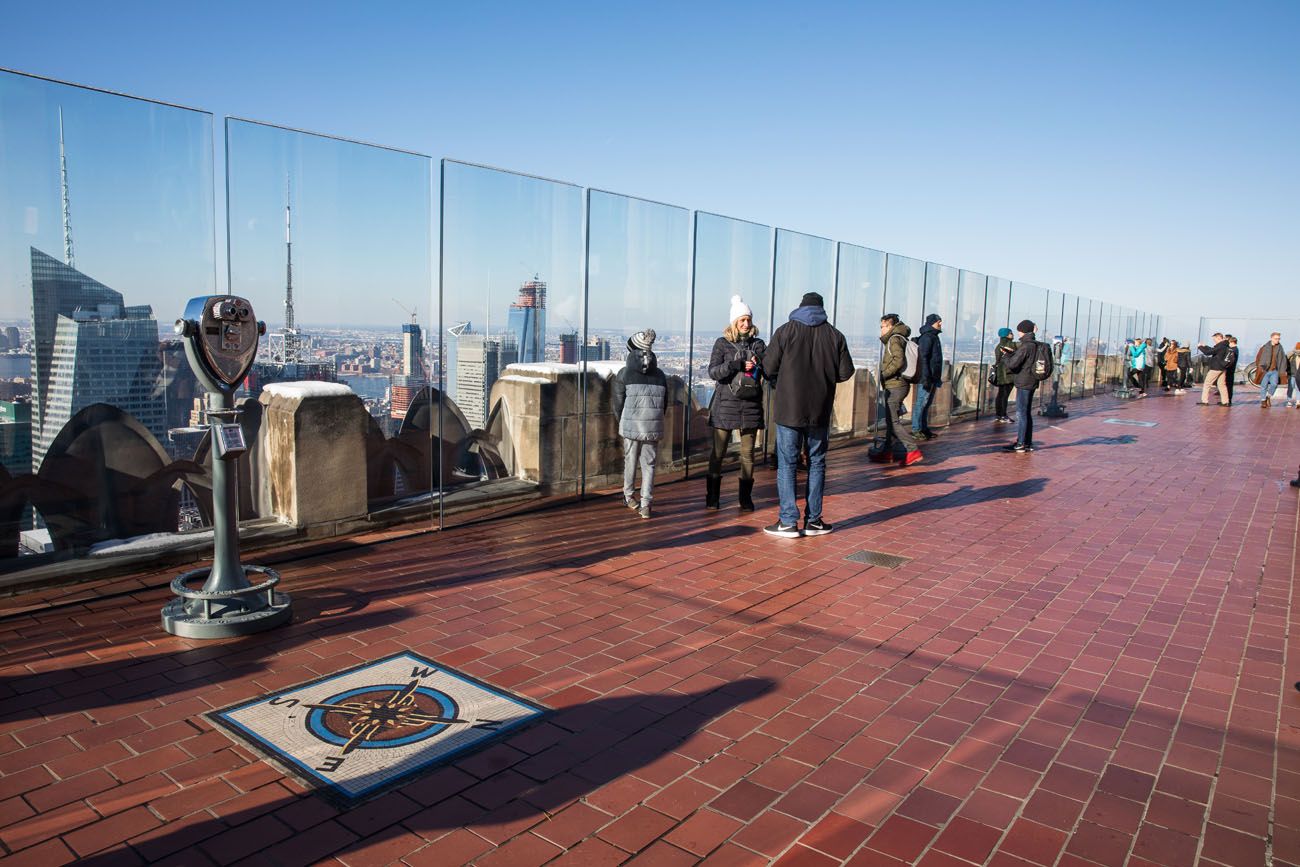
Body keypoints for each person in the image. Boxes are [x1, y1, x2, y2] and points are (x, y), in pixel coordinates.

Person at [761, 292, 853, 538]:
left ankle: (788, 521)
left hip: (788, 409)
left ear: (799, 307)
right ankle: (814, 521)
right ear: (822, 309)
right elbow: (845, 373)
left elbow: (768, 367)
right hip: (819, 410)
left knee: (787, 464)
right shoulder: (835, 335)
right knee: (817, 463)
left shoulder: (785, 331)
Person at [706, 295, 766, 511]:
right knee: (718, 454)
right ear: (734, 322)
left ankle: (745, 498)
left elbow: (768, 371)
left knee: (748, 455)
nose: (746, 324)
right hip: (726, 406)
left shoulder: (759, 345)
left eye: (748, 320)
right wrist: (735, 365)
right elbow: (714, 372)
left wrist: (760, 364)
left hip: (750, 407)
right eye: (742, 320)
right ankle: (712, 497)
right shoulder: (722, 344)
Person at [611, 328, 666, 519]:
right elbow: (663, 405)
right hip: (653, 426)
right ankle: (646, 505)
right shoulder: (660, 375)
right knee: (649, 464)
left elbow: (617, 403)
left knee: (630, 461)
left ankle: (628, 496)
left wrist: (624, 421)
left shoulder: (624, 373)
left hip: (631, 425)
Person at [874, 314, 923, 467]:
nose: (881, 330)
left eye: (882, 326)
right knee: (890, 420)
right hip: (900, 384)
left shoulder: (894, 339)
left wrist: (884, 373)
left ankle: (912, 449)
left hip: (895, 385)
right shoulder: (901, 337)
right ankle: (887, 452)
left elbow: (898, 360)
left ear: (889, 325)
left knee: (894, 422)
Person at [1001, 319, 1044, 452]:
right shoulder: (1035, 345)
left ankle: (1020, 443)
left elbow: (1013, 364)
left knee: (1021, 413)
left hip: (1024, 382)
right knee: (1027, 413)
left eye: (1019, 331)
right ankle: (1027, 442)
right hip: (1032, 381)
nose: (1018, 333)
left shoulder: (1026, 346)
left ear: (1022, 331)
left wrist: (1006, 356)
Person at [912, 313, 943, 441]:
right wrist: (925, 377)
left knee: (926, 403)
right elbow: (923, 358)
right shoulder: (927, 337)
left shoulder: (933, 337)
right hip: (927, 377)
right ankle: (916, 429)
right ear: (932, 323)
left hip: (932, 377)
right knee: (921, 403)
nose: (940, 324)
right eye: (938, 322)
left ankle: (923, 429)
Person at [1198, 332, 1231, 406]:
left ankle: (1204, 401)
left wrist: (1200, 347)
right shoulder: (1225, 345)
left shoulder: (1220, 346)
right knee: (1222, 385)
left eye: (1214, 339)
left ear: (1218, 338)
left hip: (1215, 368)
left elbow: (1208, 352)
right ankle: (1225, 402)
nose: (1214, 341)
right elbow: (1213, 350)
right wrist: (1205, 346)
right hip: (1222, 368)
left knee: (1207, 384)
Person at [1255, 332, 1287, 408]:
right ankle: (1263, 401)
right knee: (1264, 386)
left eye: (1279, 339)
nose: (1278, 340)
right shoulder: (1264, 347)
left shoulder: (1280, 348)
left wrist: (1282, 370)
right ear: (1271, 338)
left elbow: (1283, 359)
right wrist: (1260, 367)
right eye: (1276, 338)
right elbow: (1258, 358)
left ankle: (1268, 396)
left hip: (1274, 370)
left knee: (1274, 384)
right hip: (1265, 370)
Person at [991, 327, 1016, 422]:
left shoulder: (999, 346)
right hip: (1008, 374)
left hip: (1001, 373)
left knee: (1001, 394)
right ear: (1007, 335)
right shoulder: (1010, 345)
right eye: (1011, 333)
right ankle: (1003, 415)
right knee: (1004, 395)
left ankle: (999, 414)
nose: (1012, 334)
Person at [1225, 336, 1240, 404]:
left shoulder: (1233, 350)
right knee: (1229, 385)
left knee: (1229, 385)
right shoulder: (1236, 349)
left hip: (1229, 369)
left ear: (1232, 342)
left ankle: (1228, 400)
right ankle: (1228, 399)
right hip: (1231, 369)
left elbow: (1230, 360)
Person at [1288, 342, 1300, 408]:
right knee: (1291, 387)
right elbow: (1286, 361)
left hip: (1298, 375)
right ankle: (1289, 400)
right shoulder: (1292, 355)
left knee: (1298, 388)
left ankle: (1298, 401)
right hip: (1292, 374)